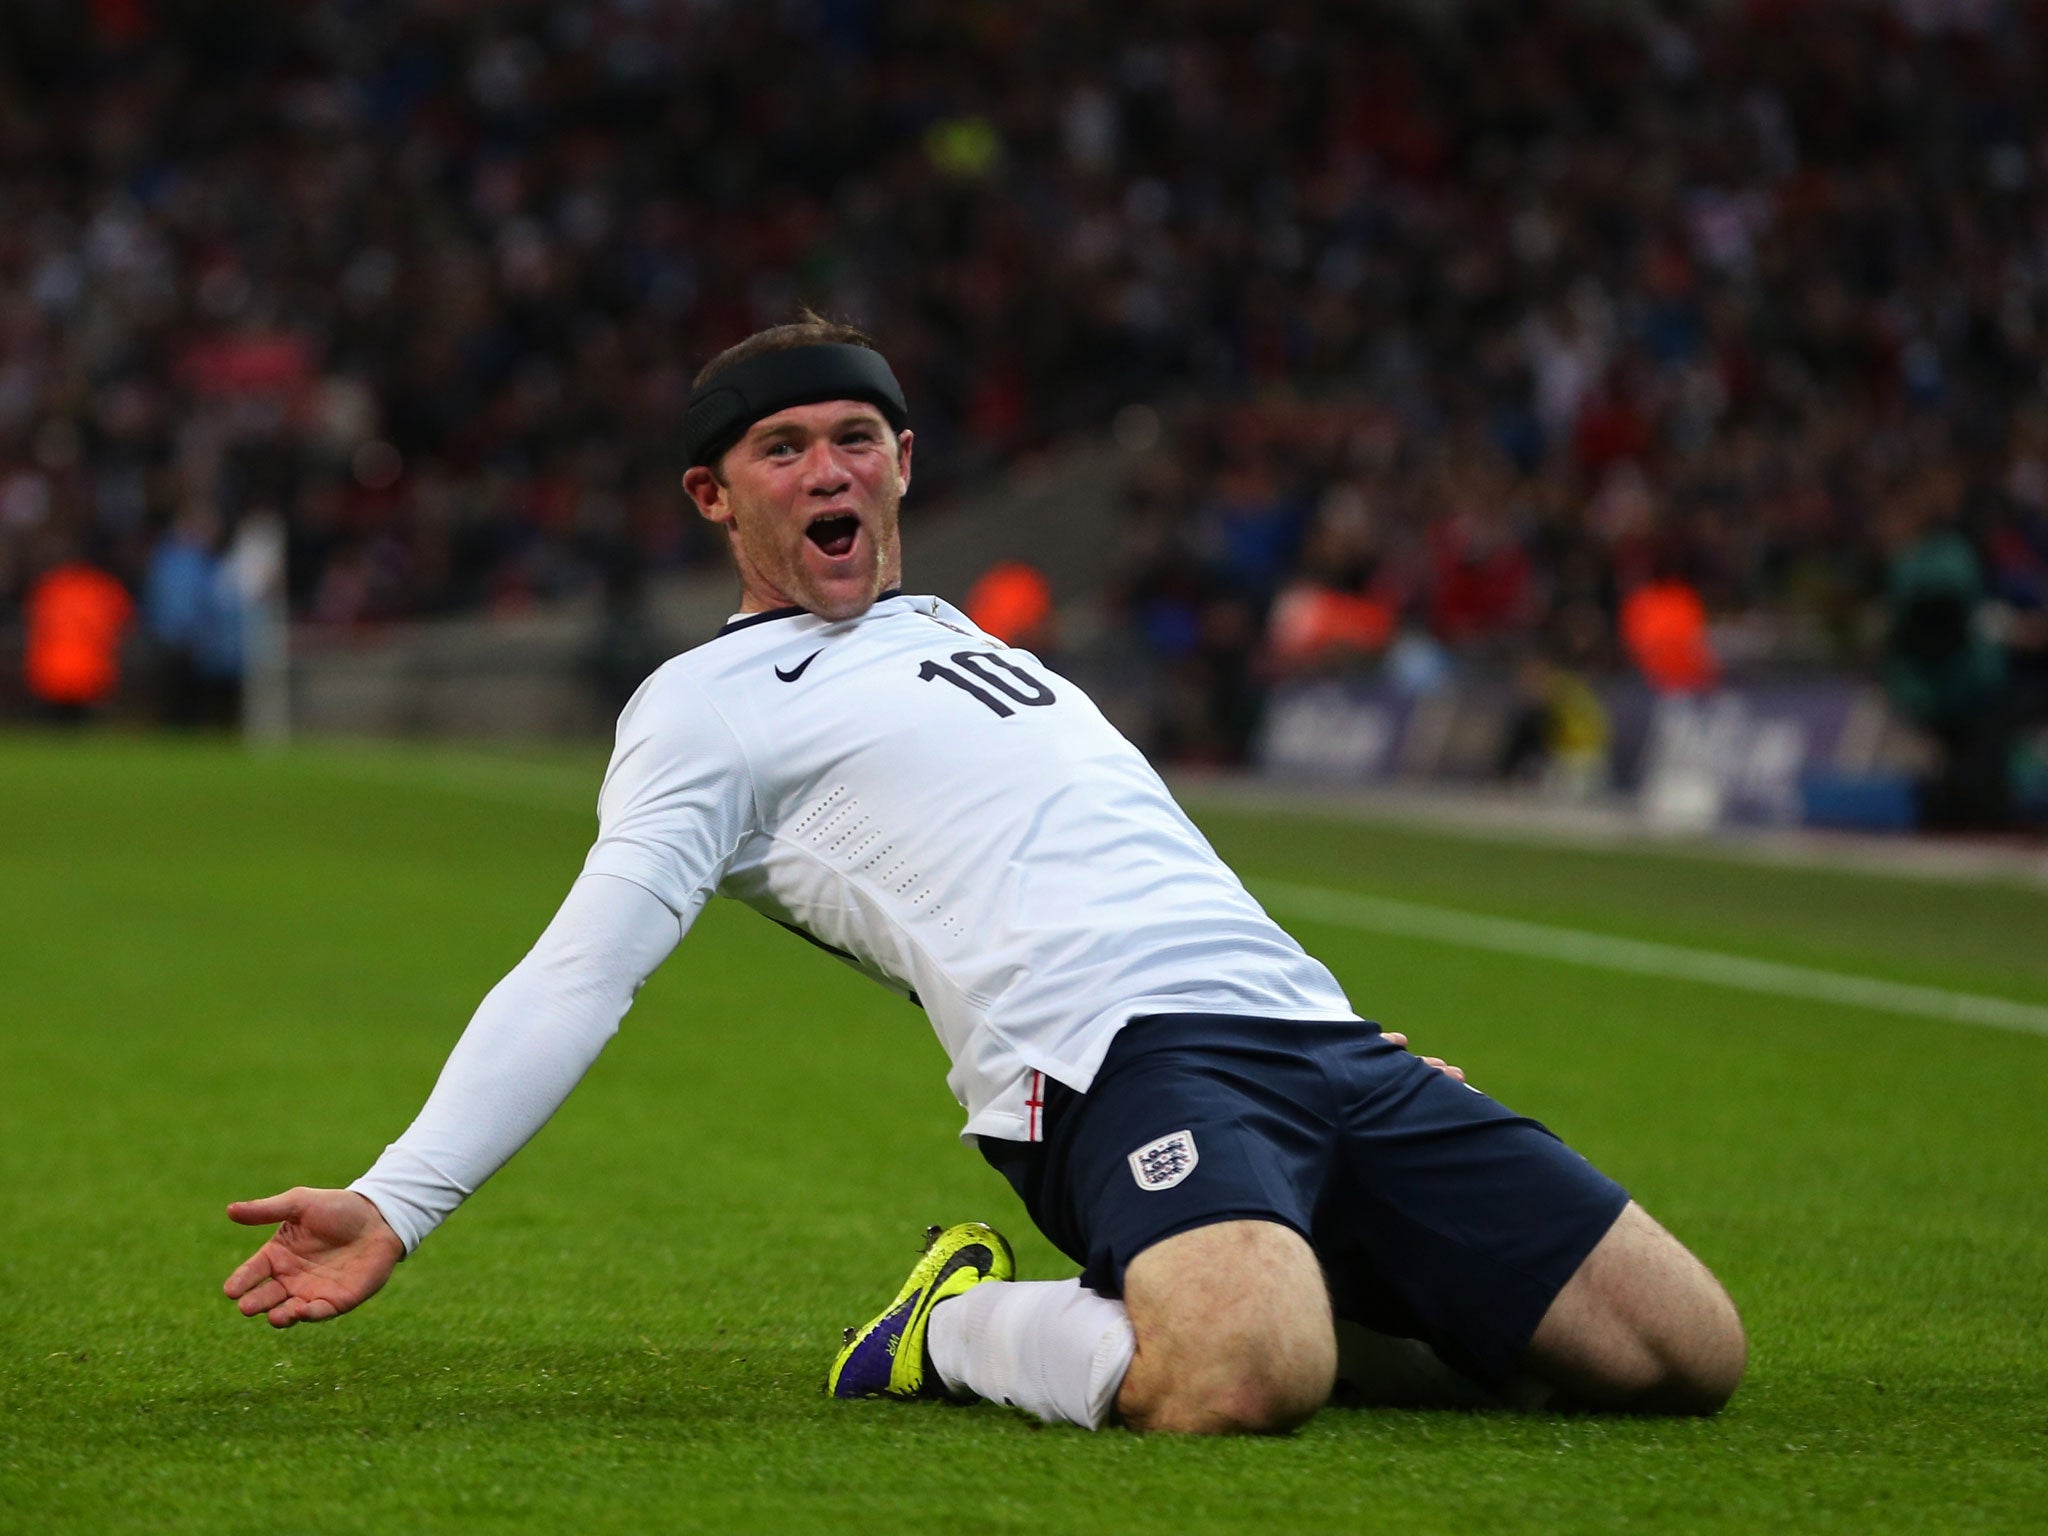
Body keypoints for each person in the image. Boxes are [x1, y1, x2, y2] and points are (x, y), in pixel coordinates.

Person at [225, 317, 1745, 1434]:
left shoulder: (961, 634)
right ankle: (956, 1327)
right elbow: (585, 967)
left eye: (856, 438)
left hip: (1316, 1038)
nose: (830, 469)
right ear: (715, 498)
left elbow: (1125, 855)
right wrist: (398, 1199)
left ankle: (1307, 1283)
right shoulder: (707, 706)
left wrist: (1333, 1029)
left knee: (1686, 1354)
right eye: (784, 447)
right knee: (1240, 1377)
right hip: (1106, 1064)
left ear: (901, 465)